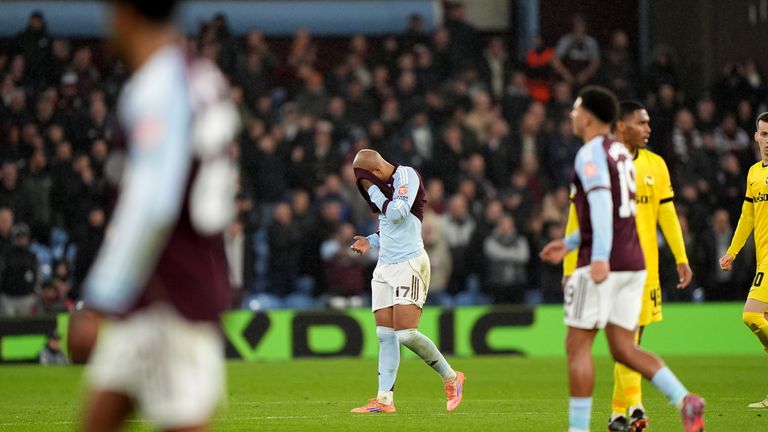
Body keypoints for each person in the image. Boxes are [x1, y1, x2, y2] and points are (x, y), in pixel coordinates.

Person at [67, 1, 238, 431]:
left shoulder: (157, 87)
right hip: (164, 284)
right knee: (99, 415)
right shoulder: (201, 75)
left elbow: (152, 203)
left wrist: (99, 300)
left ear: (123, 15)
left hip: (171, 288)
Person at [539, 86, 704, 432]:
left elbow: (600, 205)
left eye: (574, 110)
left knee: (578, 345)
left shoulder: (591, 153)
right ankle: (683, 399)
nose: (570, 115)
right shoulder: (621, 153)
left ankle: (578, 429)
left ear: (587, 116)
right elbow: (614, 211)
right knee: (624, 347)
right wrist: (569, 242)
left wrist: (596, 257)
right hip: (635, 262)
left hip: (603, 263)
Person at [349, 149, 465, 413]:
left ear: (376, 172)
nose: (366, 189)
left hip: (409, 264)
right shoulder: (383, 189)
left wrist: (372, 190)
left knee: (405, 333)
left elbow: (399, 213)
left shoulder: (407, 176)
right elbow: (390, 227)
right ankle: (384, 400)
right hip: (385, 267)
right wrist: (371, 241)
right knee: (384, 335)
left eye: (365, 181)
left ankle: (451, 377)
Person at [720, 111, 768, 408]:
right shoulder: (753, 173)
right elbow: (747, 216)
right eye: (764, 134)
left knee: (751, 315)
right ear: (755, 136)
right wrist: (732, 251)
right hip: (763, 260)